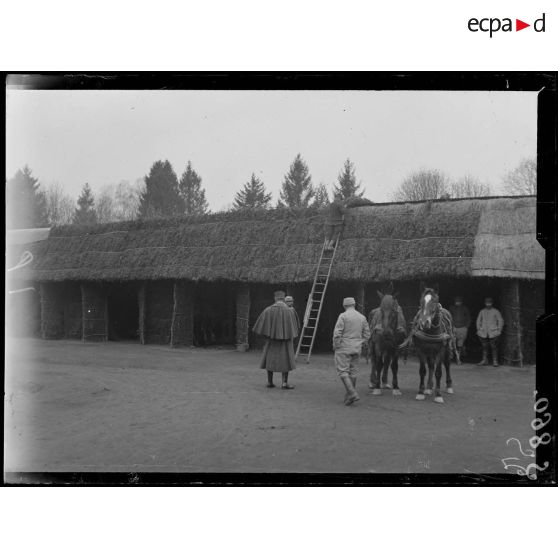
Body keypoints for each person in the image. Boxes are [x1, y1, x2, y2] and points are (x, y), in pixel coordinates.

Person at [253, 290, 299, 389]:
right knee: (286, 360)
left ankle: (270, 382)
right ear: (283, 298)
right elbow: (295, 328)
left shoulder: (268, 310)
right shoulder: (289, 311)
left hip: (271, 341)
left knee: (270, 359)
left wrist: (268, 336)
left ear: (275, 298)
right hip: (285, 342)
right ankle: (284, 383)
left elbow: (260, 327)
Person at [333, 297, 371, 405]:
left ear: (344, 306)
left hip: (344, 347)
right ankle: (349, 397)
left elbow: (337, 333)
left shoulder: (343, 316)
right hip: (356, 348)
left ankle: (353, 393)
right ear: (354, 305)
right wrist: (361, 342)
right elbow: (367, 334)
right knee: (353, 372)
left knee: (343, 371)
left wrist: (336, 345)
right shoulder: (362, 317)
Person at [476, 297, 504, 367]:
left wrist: (499, 330)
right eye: (487, 303)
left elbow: (500, 321)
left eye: (489, 303)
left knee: (493, 346)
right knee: (484, 346)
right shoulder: (482, 311)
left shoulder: (496, 311)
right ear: (485, 303)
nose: (488, 304)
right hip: (483, 332)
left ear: (492, 303)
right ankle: (484, 360)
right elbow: (478, 321)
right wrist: (479, 329)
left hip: (493, 332)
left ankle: (495, 361)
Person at [449, 295, 471, 363]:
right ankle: (450, 357)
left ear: (461, 302)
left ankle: (458, 359)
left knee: (460, 345)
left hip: (462, 329)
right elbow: (449, 317)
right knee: (451, 343)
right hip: (453, 328)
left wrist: (466, 327)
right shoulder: (451, 308)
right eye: (456, 301)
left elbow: (469, 318)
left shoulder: (465, 308)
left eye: (459, 301)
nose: (457, 302)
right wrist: (450, 326)